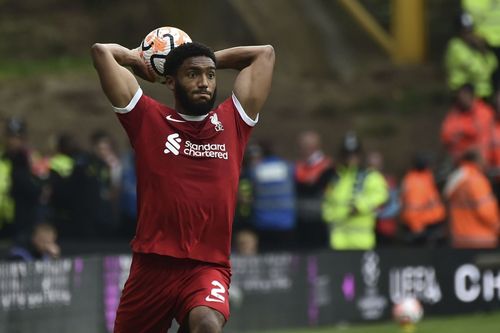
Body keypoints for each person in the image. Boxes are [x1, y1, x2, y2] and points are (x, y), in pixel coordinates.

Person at [91, 34, 275, 333]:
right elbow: (101, 52)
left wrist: (200, 57)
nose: (204, 82)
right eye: (192, 74)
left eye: (210, 74)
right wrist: (140, 60)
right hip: (152, 268)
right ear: (171, 81)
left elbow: (263, 54)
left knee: (206, 324)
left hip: (207, 266)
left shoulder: (233, 122)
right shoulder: (147, 118)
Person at [322, 132, 388, 250]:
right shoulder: (337, 178)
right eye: (347, 154)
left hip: (361, 243)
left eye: (354, 154)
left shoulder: (370, 176)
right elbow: (327, 202)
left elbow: (382, 195)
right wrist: (329, 216)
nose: (351, 158)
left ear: (360, 155)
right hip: (338, 242)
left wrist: (360, 206)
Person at [443, 149, 500, 248]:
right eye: (484, 159)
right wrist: (497, 226)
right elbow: (486, 211)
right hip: (481, 238)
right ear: (477, 160)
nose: (486, 162)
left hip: (460, 238)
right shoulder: (477, 180)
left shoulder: (457, 178)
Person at [247, 141, 296, 252]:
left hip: (263, 222)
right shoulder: (288, 167)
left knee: (266, 258)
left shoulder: (256, 170)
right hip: (285, 222)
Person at [294, 130, 335, 249]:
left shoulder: (328, 166)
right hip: (301, 220)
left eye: (302, 145)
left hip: (320, 220)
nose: (300, 149)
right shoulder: (298, 166)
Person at [444, 12, 498, 99]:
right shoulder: (455, 48)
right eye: (465, 32)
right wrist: (482, 53)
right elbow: (480, 72)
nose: (469, 35)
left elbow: (494, 65)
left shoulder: (473, 47)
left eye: (470, 31)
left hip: (482, 96)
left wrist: (484, 51)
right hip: (463, 96)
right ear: (458, 32)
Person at [399, 153, 446, 247]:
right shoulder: (415, 182)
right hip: (423, 230)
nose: (432, 167)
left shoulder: (425, 177)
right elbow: (412, 210)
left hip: (433, 225)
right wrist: (417, 229)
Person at [440, 83, 494, 163]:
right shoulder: (455, 112)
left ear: (471, 96)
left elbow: (483, 137)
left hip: (481, 158)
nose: (461, 99)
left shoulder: (484, 112)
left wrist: (463, 132)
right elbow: (446, 135)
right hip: (459, 157)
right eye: (459, 97)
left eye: (464, 95)